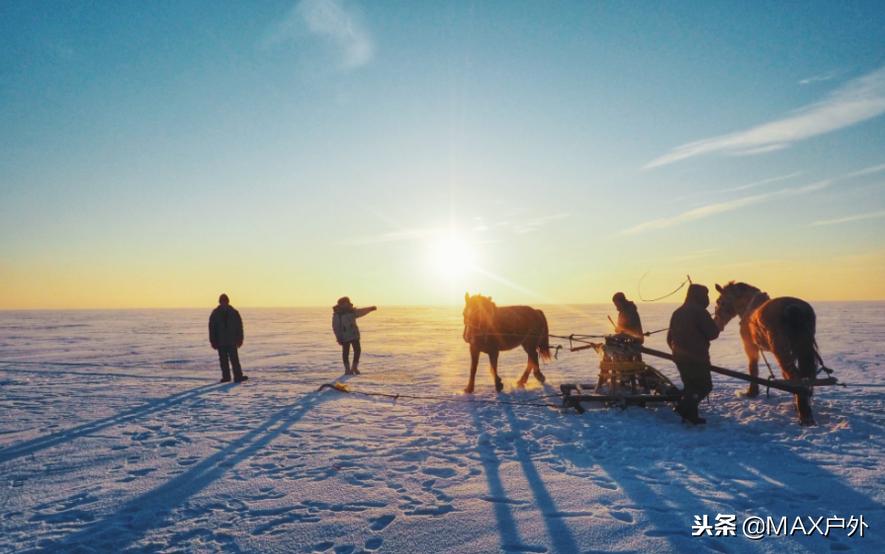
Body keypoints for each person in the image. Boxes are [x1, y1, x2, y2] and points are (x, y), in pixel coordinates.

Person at [667, 284, 720, 424]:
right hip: (697, 358)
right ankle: (683, 408)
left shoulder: (678, 312)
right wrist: (716, 321)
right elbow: (713, 334)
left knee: (690, 387)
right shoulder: (700, 312)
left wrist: (676, 352)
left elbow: (669, 337)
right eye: (705, 295)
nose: (707, 298)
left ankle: (691, 416)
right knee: (704, 386)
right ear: (699, 296)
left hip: (680, 357)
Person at [332, 297, 377, 375]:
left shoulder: (351, 311)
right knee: (345, 353)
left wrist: (370, 309)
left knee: (357, 351)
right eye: (345, 303)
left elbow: (361, 311)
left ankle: (354, 367)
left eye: (347, 302)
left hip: (354, 335)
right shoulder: (338, 314)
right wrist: (338, 337)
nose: (347, 304)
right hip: (344, 336)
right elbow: (336, 327)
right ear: (341, 304)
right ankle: (347, 369)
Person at [209, 293, 247, 383]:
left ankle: (238, 376)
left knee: (235, 360)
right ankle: (226, 377)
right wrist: (213, 341)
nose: (224, 303)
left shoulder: (234, 312)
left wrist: (240, 339)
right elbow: (212, 328)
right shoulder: (215, 313)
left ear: (228, 301)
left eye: (225, 301)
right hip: (220, 341)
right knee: (223, 361)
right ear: (220, 302)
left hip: (232, 341)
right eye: (222, 301)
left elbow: (239, 327)